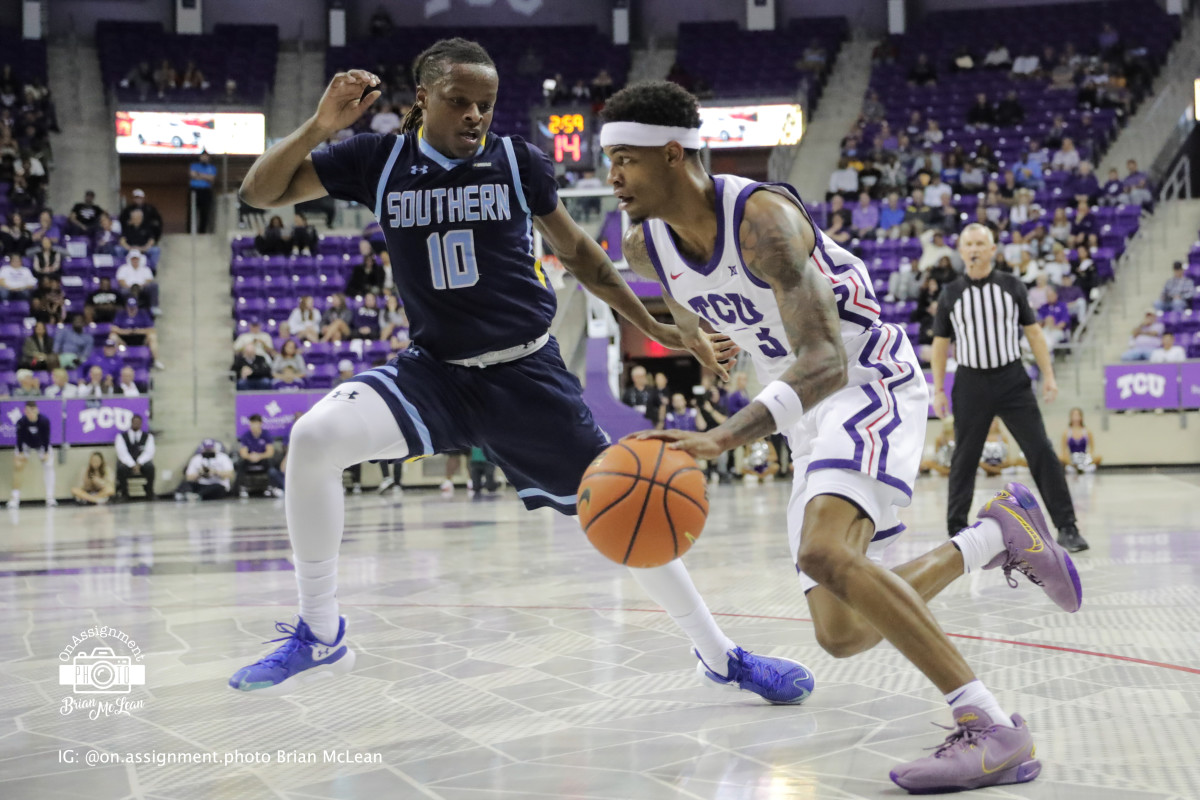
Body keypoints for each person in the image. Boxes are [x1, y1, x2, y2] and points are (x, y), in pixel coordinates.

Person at [228, 45, 809, 707]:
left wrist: (656, 327)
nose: (475, 114)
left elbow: (580, 253)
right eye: (459, 100)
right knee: (313, 438)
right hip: (436, 373)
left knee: (627, 508)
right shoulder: (375, 159)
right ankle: (321, 631)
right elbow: (257, 193)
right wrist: (319, 128)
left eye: (486, 103)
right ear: (422, 98)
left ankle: (721, 656)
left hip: (526, 374)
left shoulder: (513, 161)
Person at [601, 81, 1084, 792]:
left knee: (824, 551)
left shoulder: (763, 219)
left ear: (674, 155)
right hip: (806, 413)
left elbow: (825, 357)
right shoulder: (646, 246)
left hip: (864, 379)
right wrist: (701, 342)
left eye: (624, 159)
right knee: (844, 631)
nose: (611, 175)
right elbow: (682, 299)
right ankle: (995, 535)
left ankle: (990, 726)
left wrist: (725, 434)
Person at [932, 224, 1088, 553]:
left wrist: (1048, 375)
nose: (974, 249)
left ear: (992, 250)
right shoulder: (950, 293)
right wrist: (938, 390)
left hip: (1011, 379)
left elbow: (1033, 333)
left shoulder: (1011, 285)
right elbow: (940, 344)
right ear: (961, 252)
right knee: (964, 456)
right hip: (970, 381)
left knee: (1041, 450)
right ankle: (957, 529)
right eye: (968, 244)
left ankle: (1067, 526)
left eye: (980, 243)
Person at [10, 400, 56, 508]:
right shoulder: (21, 422)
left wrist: (45, 452)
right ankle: (15, 498)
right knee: (18, 466)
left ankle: (50, 498)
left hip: (41, 445)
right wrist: (20, 453)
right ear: (25, 411)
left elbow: (46, 438)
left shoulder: (44, 421)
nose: (30, 413)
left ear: (37, 410)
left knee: (49, 465)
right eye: (28, 411)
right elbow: (19, 438)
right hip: (26, 445)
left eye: (33, 411)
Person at [237, 414, 285, 498]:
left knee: (271, 467)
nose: (254, 426)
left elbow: (270, 452)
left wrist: (259, 456)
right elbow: (243, 453)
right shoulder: (246, 436)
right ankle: (239, 488)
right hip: (250, 459)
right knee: (240, 464)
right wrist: (250, 456)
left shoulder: (266, 435)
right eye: (252, 423)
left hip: (263, 459)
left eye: (256, 423)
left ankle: (275, 487)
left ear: (260, 423)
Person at [110, 296, 164, 369]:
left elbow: (151, 329)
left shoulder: (143, 314)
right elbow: (113, 328)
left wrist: (138, 331)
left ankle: (155, 360)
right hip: (124, 339)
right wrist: (124, 332)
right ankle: (113, 360)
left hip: (140, 338)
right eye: (130, 307)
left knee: (152, 336)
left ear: (136, 307)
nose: (132, 309)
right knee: (112, 336)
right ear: (126, 307)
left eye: (133, 307)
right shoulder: (121, 314)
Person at [114, 414, 156, 500]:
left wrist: (139, 463)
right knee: (121, 468)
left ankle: (149, 492)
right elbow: (122, 453)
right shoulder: (121, 437)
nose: (136, 424)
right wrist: (132, 464)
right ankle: (124, 493)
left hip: (142, 462)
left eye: (138, 422)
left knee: (150, 467)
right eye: (134, 422)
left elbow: (149, 452)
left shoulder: (148, 437)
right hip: (128, 462)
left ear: (141, 424)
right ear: (131, 423)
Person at [1060, 407, 1100, 474]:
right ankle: (1075, 467)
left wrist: (1088, 456)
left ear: (1081, 417)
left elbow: (1092, 449)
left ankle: (1083, 467)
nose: (1076, 417)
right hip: (1072, 457)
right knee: (1060, 458)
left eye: (1077, 415)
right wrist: (1067, 457)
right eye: (1074, 415)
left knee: (1098, 457)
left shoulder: (1087, 431)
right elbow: (1064, 450)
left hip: (1084, 456)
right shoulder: (1066, 432)